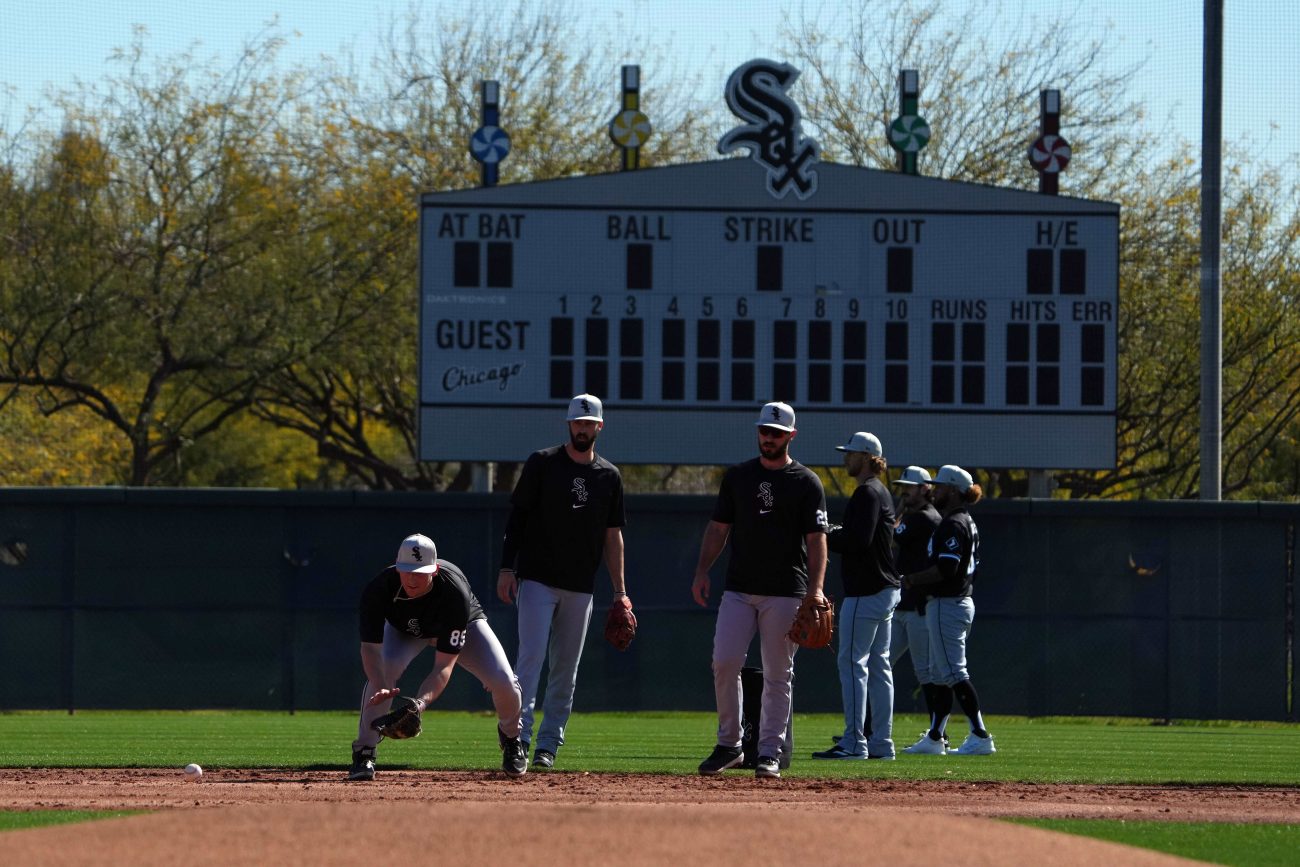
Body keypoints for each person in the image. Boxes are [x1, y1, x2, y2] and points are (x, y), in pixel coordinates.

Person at [692, 401, 829, 779]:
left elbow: (817, 540)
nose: (768, 438)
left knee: (777, 672)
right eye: (764, 431)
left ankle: (769, 751)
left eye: (776, 433)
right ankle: (730, 744)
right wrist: (703, 570)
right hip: (739, 587)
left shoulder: (806, 482)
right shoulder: (738, 477)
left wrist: (815, 591)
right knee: (724, 661)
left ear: (791, 436)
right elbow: (718, 528)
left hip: (786, 590)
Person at [497, 393, 628, 771]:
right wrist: (508, 568)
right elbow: (518, 518)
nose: (583, 428)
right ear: (568, 425)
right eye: (577, 422)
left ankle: (548, 744)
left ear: (599, 427)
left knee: (565, 670)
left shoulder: (609, 476)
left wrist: (620, 593)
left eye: (589, 423)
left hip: (580, 585)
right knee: (531, 660)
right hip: (537, 578)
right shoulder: (543, 463)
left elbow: (613, 535)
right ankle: (518, 741)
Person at [349, 533, 527, 781]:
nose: (412, 578)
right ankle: (364, 753)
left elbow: (443, 666)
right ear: (397, 568)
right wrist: (380, 684)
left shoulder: (454, 592)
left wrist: (419, 705)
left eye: (420, 571)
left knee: (504, 680)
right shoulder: (379, 589)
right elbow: (370, 649)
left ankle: (511, 738)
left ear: (434, 570)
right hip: (405, 631)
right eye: (407, 570)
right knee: (384, 671)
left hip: (465, 624)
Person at [812, 432, 901, 761]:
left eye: (851, 454)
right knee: (879, 667)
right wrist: (834, 531)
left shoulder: (867, 492)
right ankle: (881, 742)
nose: (845, 458)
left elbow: (857, 541)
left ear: (866, 456)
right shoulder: (880, 491)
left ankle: (854, 742)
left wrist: (824, 534)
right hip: (885, 589)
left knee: (852, 663)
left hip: (867, 589)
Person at [899, 465, 995, 756]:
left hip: (948, 603)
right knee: (942, 675)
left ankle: (980, 734)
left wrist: (912, 579)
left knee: (953, 673)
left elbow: (947, 568)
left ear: (952, 490)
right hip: (956, 602)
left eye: (939, 486)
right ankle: (936, 736)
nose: (934, 490)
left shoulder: (953, 523)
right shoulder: (962, 519)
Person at [888, 466, 947, 752]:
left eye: (910, 487)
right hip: (905, 604)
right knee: (881, 663)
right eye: (903, 487)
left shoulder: (924, 517)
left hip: (918, 606)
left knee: (926, 672)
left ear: (926, 488)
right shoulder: (919, 516)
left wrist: (898, 508)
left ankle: (939, 734)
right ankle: (868, 730)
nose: (904, 491)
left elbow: (890, 534)